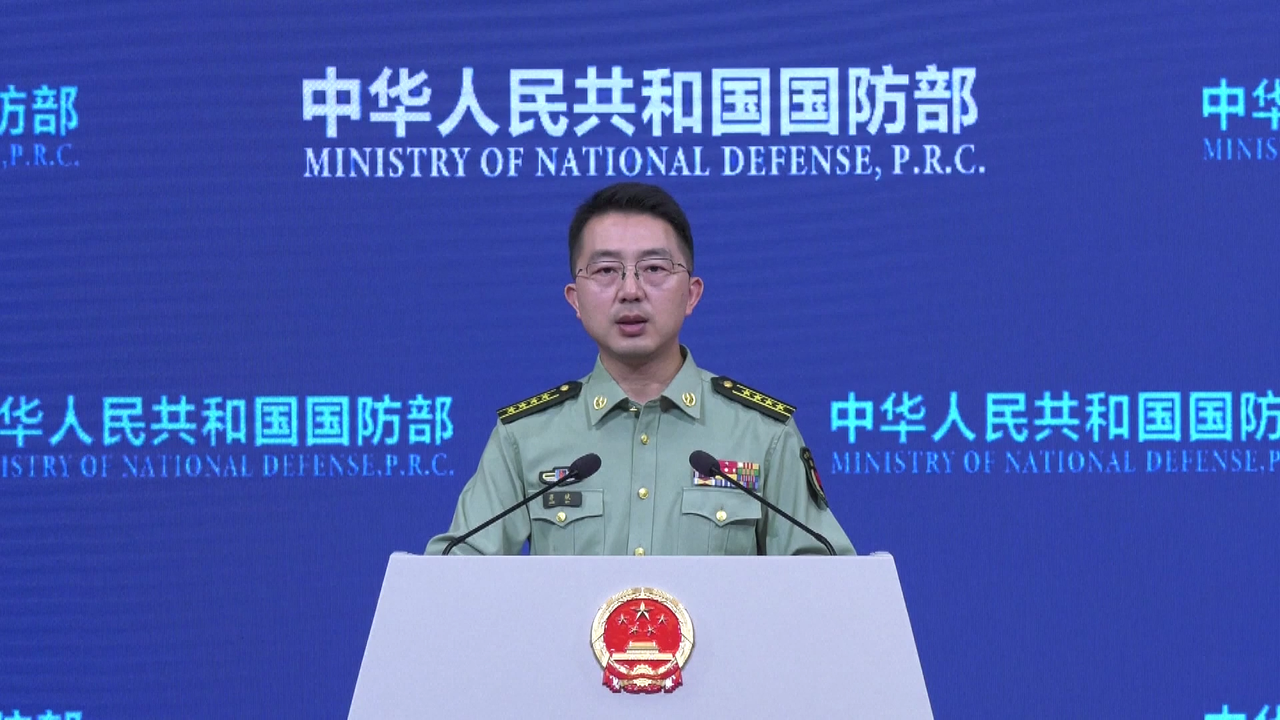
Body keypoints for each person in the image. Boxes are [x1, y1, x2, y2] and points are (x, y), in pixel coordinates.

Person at [425, 182, 855, 556]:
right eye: (606, 270)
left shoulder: (763, 435)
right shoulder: (524, 437)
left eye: (654, 269)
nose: (630, 290)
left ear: (691, 294)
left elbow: (827, 584)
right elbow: (452, 576)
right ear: (575, 299)